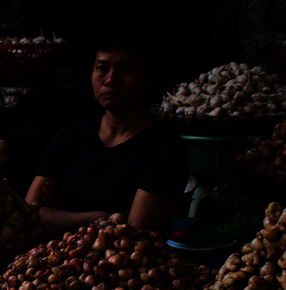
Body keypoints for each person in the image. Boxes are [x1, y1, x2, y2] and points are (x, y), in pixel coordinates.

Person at [27, 36, 189, 235]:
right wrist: (104, 217)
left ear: (150, 77)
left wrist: (62, 215)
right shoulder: (71, 134)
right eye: (102, 68)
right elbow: (29, 215)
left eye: (126, 69)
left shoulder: (165, 148)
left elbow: (134, 234)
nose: (111, 79)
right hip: (56, 261)